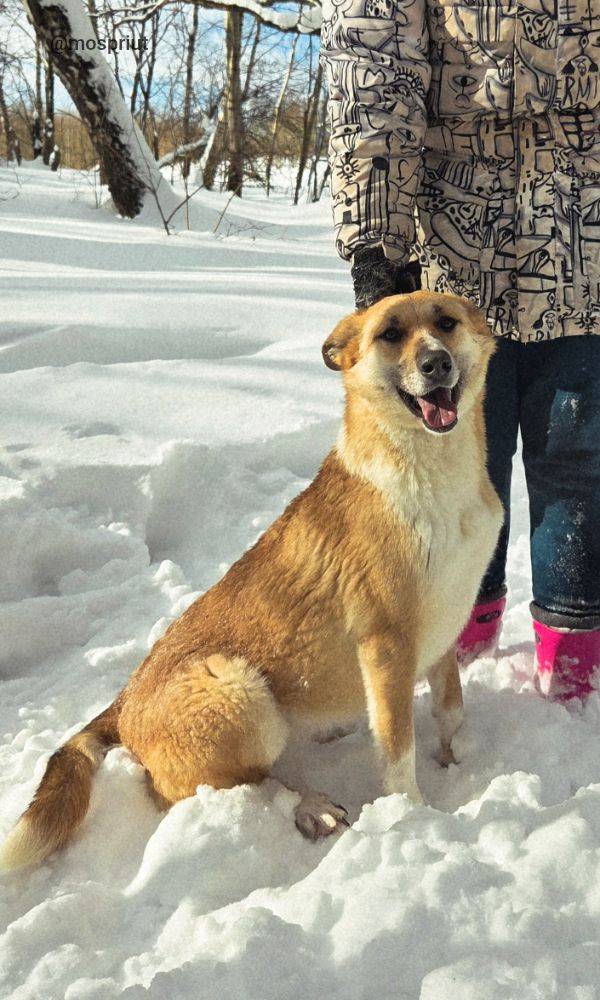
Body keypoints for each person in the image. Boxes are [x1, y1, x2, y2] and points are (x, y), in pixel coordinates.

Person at [321, 0, 600, 700]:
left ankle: (574, 661)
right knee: (458, 468)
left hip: (587, 246)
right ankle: (457, 646)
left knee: (579, 463)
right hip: (454, 265)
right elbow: (374, 60)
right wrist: (376, 246)